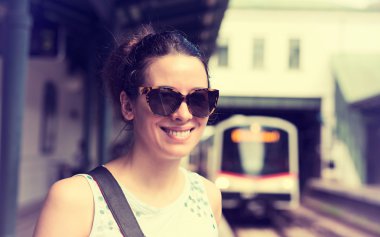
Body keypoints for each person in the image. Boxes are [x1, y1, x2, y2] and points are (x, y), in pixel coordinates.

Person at [33, 25, 222, 237]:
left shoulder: (208, 196)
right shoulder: (75, 200)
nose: (183, 115)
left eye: (199, 99)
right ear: (128, 105)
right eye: (165, 98)